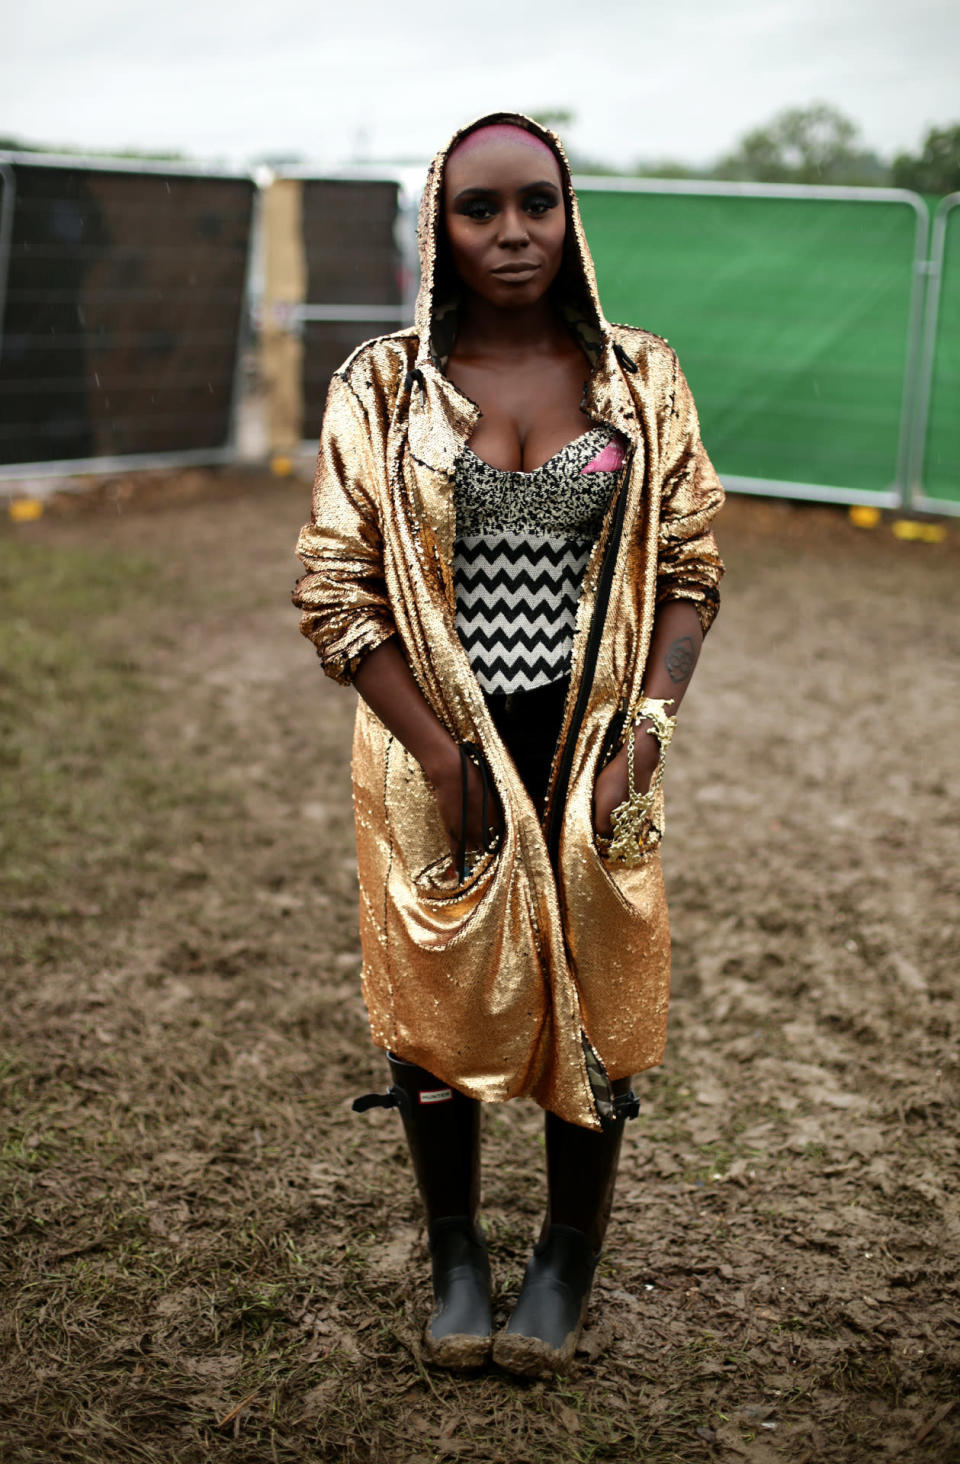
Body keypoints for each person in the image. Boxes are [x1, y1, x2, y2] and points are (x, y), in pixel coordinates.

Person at [292, 111, 724, 1378]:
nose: (513, 232)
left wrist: (642, 735)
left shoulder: (642, 377)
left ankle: (566, 1258)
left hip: (592, 748)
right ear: (442, 223)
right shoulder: (381, 387)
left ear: (568, 209)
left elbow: (691, 567)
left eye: (535, 202)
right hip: (431, 743)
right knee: (433, 1002)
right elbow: (335, 587)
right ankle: (458, 1258)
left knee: (596, 988)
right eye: (481, 209)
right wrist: (438, 755)